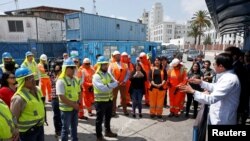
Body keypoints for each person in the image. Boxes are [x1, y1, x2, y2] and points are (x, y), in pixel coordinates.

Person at [179, 53, 241, 125]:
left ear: (221, 66)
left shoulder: (230, 79)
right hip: (218, 117)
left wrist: (192, 91)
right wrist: (201, 82)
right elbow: (216, 87)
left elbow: (211, 99)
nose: (213, 66)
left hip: (222, 120)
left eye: (215, 64)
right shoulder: (226, 76)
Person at [11, 67, 45, 140]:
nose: (33, 80)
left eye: (33, 77)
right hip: (27, 133)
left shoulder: (38, 90)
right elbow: (13, 118)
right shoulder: (18, 98)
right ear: (22, 81)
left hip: (40, 128)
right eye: (29, 78)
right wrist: (15, 130)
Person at [93, 56, 118, 141]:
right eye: (104, 65)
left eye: (106, 65)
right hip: (100, 102)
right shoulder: (96, 76)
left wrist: (110, 85)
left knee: (108, 118)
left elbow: (116, 82)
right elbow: (102, 88)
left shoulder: (108, 74)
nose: (106, 66)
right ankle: (99, 136)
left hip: (109, 100)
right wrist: (111, 85)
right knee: (99, 120)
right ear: (100, 66)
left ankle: (108, 131)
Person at [56, 58, 81, 141]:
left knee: (74, 127)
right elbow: (62, 97)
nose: (73, 69)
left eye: (74, 67)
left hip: (75, 108)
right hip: (66, 110)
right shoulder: (60, 81)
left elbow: (79, 92)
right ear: (66, 69)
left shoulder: (76, 79)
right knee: (65, 129)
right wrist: (74, 105)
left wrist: (79, 103)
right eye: (71, 68)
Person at [224, 46, 248, 125]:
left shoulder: (237, 68)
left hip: (238, 101)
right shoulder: (234, 66)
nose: (225, 57)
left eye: (227, 55)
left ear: (234, 56)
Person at [108, 51, 130, 116]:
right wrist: (115, 81)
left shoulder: (125, 64)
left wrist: (125, 81)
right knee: (114, 98)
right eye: (116, 56)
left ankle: (125, 110)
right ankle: (113, 111)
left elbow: (127, 74)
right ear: (114, 57)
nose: (118, 56)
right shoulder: (111, 65)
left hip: (122, 84)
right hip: (115, 84)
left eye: (119, 55)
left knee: (124, 97)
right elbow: (109, 74)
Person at [50, 64, 62, 137]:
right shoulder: (52, 76)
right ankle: (57, 130)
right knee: (56, 115)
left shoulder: (62, 76)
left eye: (59, 70)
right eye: (56, 70)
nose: (57, 71)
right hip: (55, 97)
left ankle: (62, 128)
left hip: (62, 97)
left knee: (62, 115)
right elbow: (54, 83)